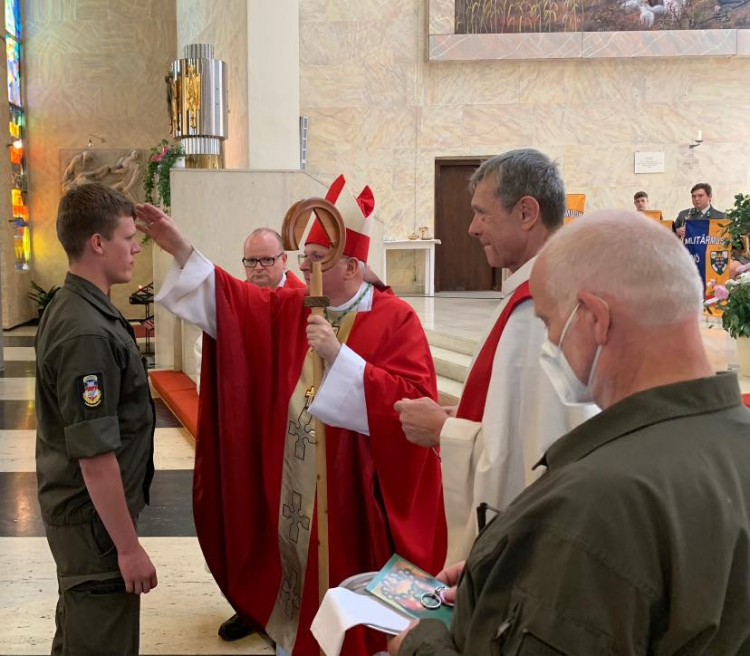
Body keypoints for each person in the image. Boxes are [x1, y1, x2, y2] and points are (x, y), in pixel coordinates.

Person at [390, 210, 750, 655]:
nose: (548, 342)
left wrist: (419, 645)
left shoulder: (597, 501)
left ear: (595, 319)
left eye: (548, 323)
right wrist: (509, 569)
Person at [139, 174, 446, 656]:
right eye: (304, 257)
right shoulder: (297, 306)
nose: (304, 266)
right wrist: (180, 247)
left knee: (350, 599)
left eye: (316, 259)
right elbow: (236, 305)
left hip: (355, 497)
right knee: (301, 591)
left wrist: (341, 357)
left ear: (352, 263)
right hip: (298, 491)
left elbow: (415, 406)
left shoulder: (395, 319)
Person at [395, 149, 595, 564]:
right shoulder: (550, 286)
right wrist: (465, 416)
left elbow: (531, 464)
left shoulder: (539, 309)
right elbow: (524, 424)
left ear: (526, 212)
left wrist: (441, 432)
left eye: (482, 214)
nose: (471, 228)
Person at [35, 183, 157, 656]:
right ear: (98, 243)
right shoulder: (85, 330)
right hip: (95, 526)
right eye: (129, 237)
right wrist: (127, 548)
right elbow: (94, 456)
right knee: (101, 636)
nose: (137, 247)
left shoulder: (80, 306)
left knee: (82, 631)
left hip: (90, 518)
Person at [193, 228, 304, 400]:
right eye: (251, 261)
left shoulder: (305, 301)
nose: (258, 268)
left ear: (284, 260)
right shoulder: (233, 302)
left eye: (267, 260)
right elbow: (205, 354)